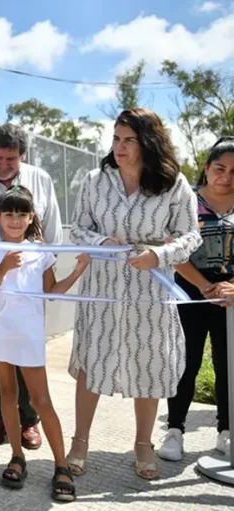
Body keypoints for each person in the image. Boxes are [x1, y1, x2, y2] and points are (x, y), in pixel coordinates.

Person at [65, 108, 202, 480]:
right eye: (116, 138)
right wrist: (103, 242)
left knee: (149, 362)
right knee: (92, 361)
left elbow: (192, 236)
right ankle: (79, 441)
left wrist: (158, 254)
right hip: (102, 289)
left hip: (151, 292)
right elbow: (78, 229)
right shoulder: (95, 180)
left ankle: (143, 443)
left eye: (129, 140)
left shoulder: (174, 184)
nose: (120, 147)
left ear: (148, 142)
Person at [0, 186, 89, 502]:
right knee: (6, 394)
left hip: (28, 333)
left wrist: (79, 269)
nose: (15, 221)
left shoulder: (41, 250)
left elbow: (52, 291)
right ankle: (16, 455)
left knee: (41, 399)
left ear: (31, 218)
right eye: (9, 215)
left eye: (21, 215)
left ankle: (61, 465)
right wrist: (2, 267)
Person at [0, 123, 63, 450]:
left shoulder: (41, 179)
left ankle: (28, 420)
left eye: (11, 158)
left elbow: (52, 233)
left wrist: (43, 269)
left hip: (30, 280)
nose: (3, 164)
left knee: (28, 352)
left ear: (23, 155)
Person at [158, 136, 234, 461]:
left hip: (231, 296)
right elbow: (174, 251)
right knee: (184, 362)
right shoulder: (186, 201)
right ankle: (174, 430)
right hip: (190, 291)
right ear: (206, 167)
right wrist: (204, 285)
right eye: (220, 168)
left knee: (228, 364)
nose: (226, 177)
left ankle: (226, 432)